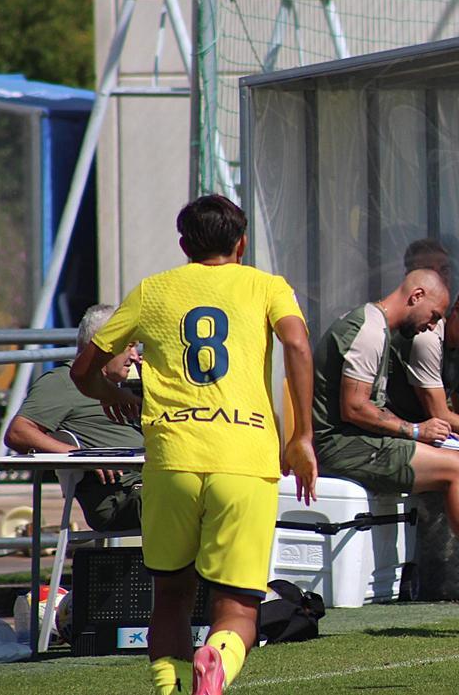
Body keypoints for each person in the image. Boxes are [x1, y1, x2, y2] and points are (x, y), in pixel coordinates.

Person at [71, 194, 318, 695]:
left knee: (171, 597)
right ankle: (219, 660)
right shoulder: (267, 286)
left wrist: (112, 394)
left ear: (183, 244)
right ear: (242, 242)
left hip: (173, 461)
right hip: (245, 460)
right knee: (237, 606)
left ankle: (172, 689)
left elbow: (83, 369)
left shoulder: (153, 290)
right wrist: (302, 437)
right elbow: (296, 344)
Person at [312, 270, 459, 604]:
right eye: (434, 315)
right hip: (344, 445)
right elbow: (354, 408)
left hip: (360, 441)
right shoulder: (368, 329)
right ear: (416, 296)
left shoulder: (376, 326)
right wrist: (415, 430)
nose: (431, 325)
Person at [4, 304, 143, 532]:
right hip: (122, 496)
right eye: (128, 346)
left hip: (151, 484)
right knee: (197, 503)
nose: (135, 356)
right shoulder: (63, 382)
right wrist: (81, 456)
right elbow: (18, 432)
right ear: (101, 344)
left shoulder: (122, 390)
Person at [385, 283, 459, 439]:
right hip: (394, 428)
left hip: (426, 432)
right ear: (457, 308)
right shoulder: (427, 336)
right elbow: (439, 414)